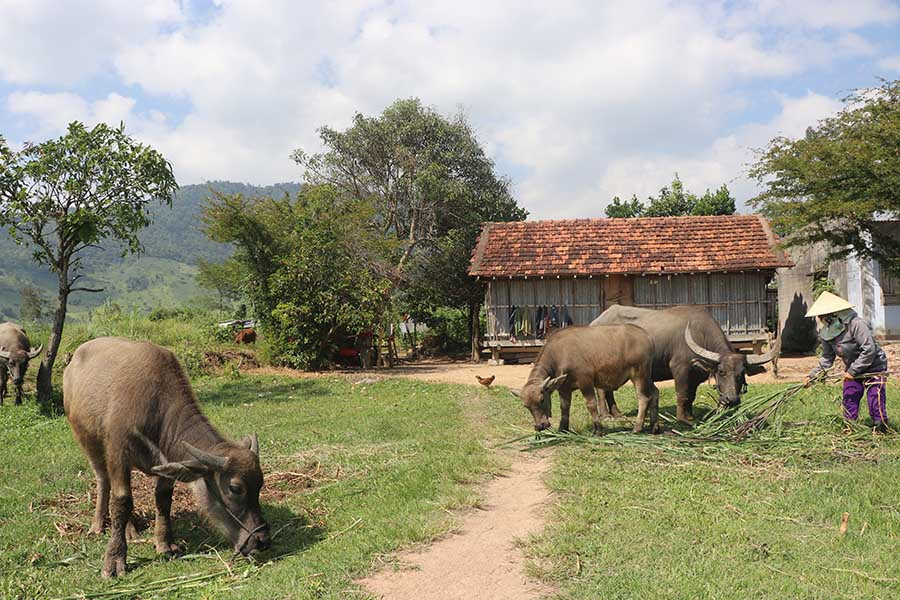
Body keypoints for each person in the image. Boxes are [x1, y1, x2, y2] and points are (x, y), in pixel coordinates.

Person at [804, 292, 890, 433]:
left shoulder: (856, 324)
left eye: (822, 316)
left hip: (874, 366)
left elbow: (869, 350)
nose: (820, 319)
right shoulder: (826, 332)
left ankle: (880, 428)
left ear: (833, 314)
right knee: (850, 394)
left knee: (875, 396)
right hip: (852, 367)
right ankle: (850, 426)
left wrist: (852, 371)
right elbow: (826, 358)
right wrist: (813, 376)